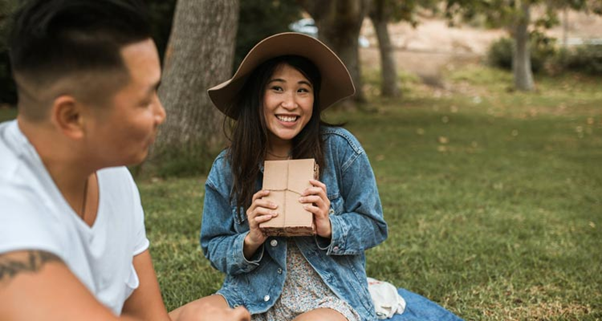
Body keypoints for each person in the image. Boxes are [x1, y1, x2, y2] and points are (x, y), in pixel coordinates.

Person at [0, 0, 250, 320]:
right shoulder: (10, 203)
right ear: (72, 117)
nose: (161, 114)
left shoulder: (112, 174)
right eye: (145, 100)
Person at [199, 32, 389, 320]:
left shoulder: (340, 148)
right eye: (277, 88)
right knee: (184, 317)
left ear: (314, 98)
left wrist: (329, 226)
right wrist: (250, 240)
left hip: (328, 295)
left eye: (303, 90)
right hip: (252, 296)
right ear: (257, 94)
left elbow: (374, 226)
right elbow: (213, 245)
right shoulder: (228, 166)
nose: (290, 103)